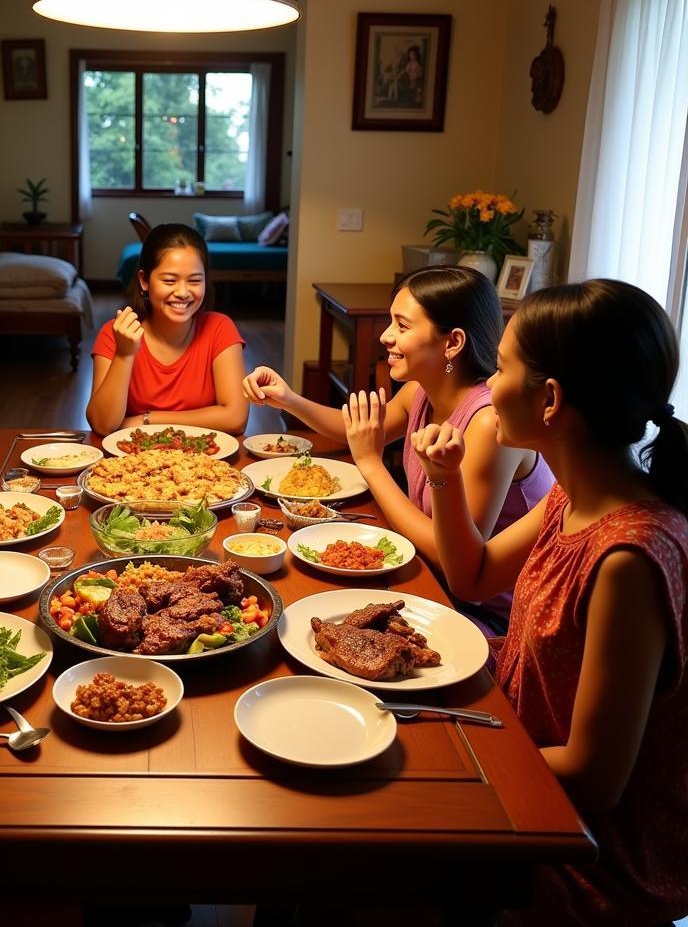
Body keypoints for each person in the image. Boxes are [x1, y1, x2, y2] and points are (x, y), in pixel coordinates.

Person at [412, 279, 688, 925]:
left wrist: (458, 754)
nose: (489, 383)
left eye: (503, 367)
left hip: (583, 854)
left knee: (360, 856)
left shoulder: (630, 557)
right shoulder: (574, 494)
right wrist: (446, 484)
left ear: (552, 400)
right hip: (521, 762)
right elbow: (474, 576)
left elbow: (595, 779)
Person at [243, 266, 552, 631]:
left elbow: (450, 558)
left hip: (486, 615)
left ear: (452, 342)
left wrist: (371, 464)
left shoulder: (487, 422)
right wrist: (289, 399)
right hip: (429, 577)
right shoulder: (421, 390)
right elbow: (356, 431)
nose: (386, 336)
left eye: (402, 326)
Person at [86, 223, 249, 436]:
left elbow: (235, 418)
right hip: (132, 462)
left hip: (207, 461)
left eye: (195, 280)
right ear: (144, 280)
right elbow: (102, 424)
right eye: (170, 280)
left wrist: (147, 420)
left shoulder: (220, 329)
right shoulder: (115, 333)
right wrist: (124, 354)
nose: (182, 292)